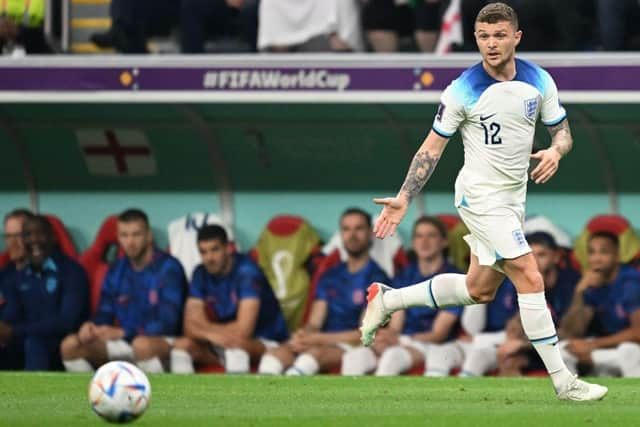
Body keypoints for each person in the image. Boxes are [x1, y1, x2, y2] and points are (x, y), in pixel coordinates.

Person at [359, 2, 606, 400]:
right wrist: (404, 197)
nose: (491, 44)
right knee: (529, 274)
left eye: (499, 35)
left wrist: (556, 152)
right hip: (478, 197)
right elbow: (431, 148)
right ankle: (564, 380)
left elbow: (564, 133)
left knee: (479, 289)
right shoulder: (462, 89)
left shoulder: (540, 80)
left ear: (516, 37)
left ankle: (389, 299)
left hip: (512, 201)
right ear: (475, 39)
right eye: (484, 37)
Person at [258, 208, 389, 375]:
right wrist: (303, 337)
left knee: (311, 357)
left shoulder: (378, 279)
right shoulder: (330, 275)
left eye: (359, 229)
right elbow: (314, 322)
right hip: (321, 341)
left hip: (352, 346)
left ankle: (290, 399)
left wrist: (317, 339)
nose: (352, 235)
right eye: (346, 229)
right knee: (274, 355)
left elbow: (365, 334)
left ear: (370, 233)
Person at [60, 209, 186, 373]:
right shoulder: (117, 269)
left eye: (136, 235)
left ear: (148, 236)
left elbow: (168, 323)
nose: (130, 241)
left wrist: (124, 332)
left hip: (162, 341)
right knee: (70, 345)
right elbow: (104, 312)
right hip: (125, 341)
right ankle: (93, 393)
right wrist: (93, 327)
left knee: (142, 345)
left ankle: (157, 396)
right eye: (124, 235)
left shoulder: (169, 268)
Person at [341, 216, 462, 376]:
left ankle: (381, 401)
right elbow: (396, 325)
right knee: (354, 357)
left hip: (433, 346)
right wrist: (387, 338)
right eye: (419, 236)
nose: (424, 242)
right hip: (401, 341)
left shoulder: (452, 278)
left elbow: (438, 334)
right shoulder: (405, 275)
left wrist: (401, 341)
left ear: (444, 242)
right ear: (413, 242)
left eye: (431, 236)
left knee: (392, 357)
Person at [170, 225, 289, 374]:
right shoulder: (200, 273)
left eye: (215, 250)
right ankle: (182, 397)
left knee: (235, 346)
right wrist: (212, 335)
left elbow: (243, 330)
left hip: (264, 341)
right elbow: (189, 328)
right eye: (203, 252)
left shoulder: (247, 272)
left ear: (229, 248)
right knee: (181, 346)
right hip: (220, 342)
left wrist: (204, 329)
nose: (209, 258)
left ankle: (237, 397)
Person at [0, 215, 89, 370]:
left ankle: (32, 394)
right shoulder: (17, 275)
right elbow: (12, 314)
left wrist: (14, 331)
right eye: (28, 235)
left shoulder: (71, 271)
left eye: (40, 234)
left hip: (60, 342)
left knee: (34, 342)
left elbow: (66, 322)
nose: (34, 240)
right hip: (23, 340)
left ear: (52, 238)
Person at [497, 232, 579, 376]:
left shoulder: (571, 283)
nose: (534, 261)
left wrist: (522, 344)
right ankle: (514, 398)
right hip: (535, 345)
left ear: (556, 257)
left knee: (563, 353)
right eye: (530, 256)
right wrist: (513, 340)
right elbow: (514, 327)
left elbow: (568, 332)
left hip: (565, 344)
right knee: (507, 357)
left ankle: (573, 393)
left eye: (541, 255)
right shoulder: (522, 282)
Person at [559, 232, 640, 377]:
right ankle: (572, 395)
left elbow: (637, 332)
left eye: (604, 252)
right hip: (607, 347)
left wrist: (592, 345)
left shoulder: (630, 282)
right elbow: (572, 332)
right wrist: (579, 292)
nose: (596, 259)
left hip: (631, 348)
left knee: (628, 351)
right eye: (592, 252)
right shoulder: (592, 283)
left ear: (617, 256)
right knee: (563, 349)